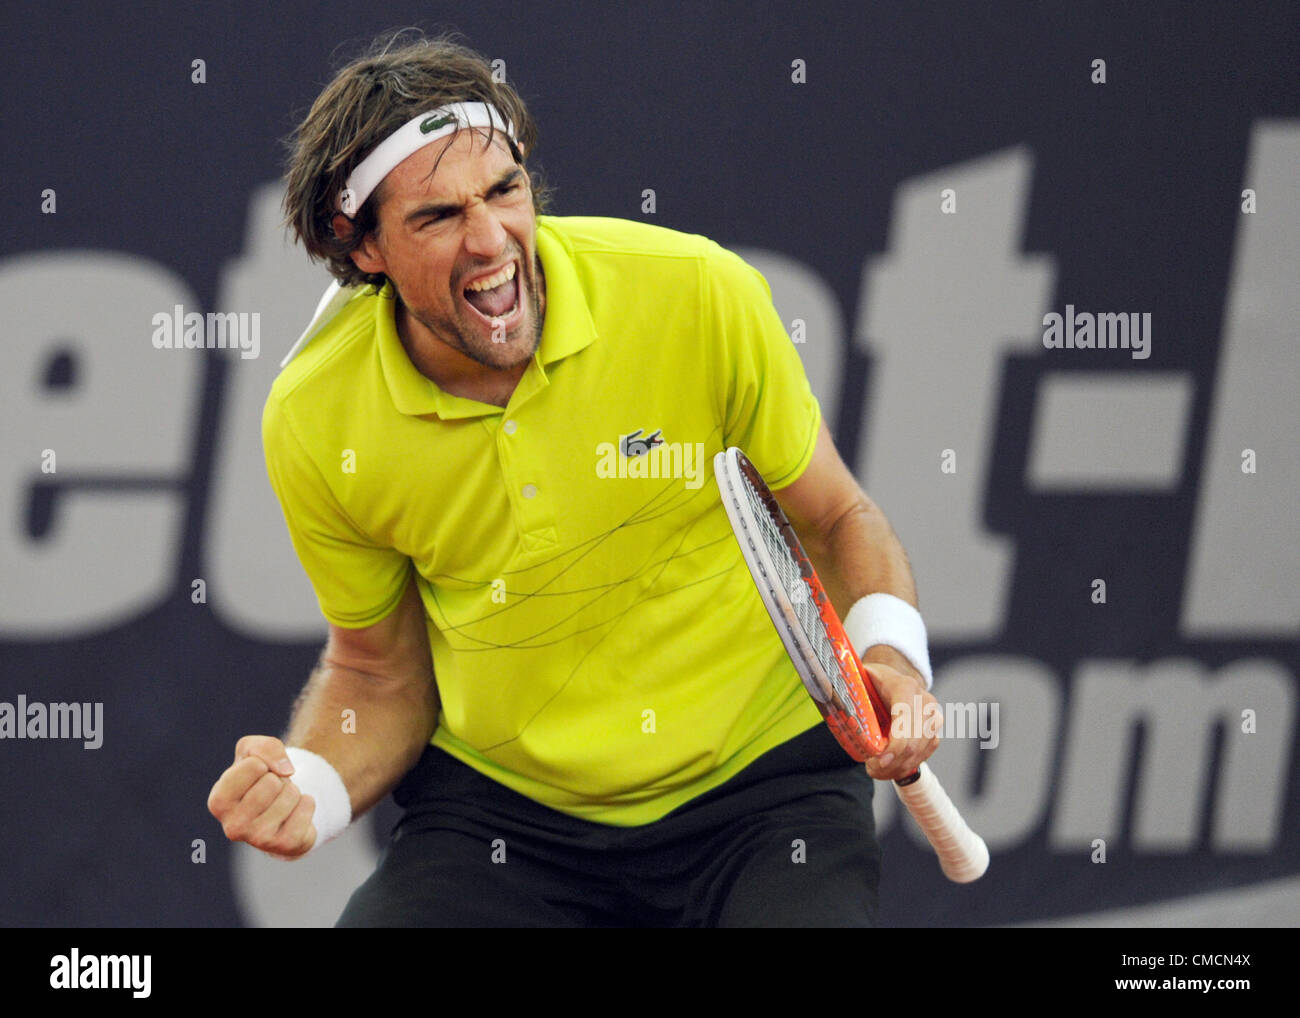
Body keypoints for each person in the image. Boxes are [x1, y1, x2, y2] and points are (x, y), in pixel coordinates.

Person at [206, 29, 941, 927]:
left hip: (764, 794)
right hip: (508, 822)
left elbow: (837, 520)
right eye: (437, 217)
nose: (491, 242)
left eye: (505, 190)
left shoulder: (699, 294)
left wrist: (891, 663)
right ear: (360, 248)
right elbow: (381, 672)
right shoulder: (316, 415)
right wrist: (309, 788)